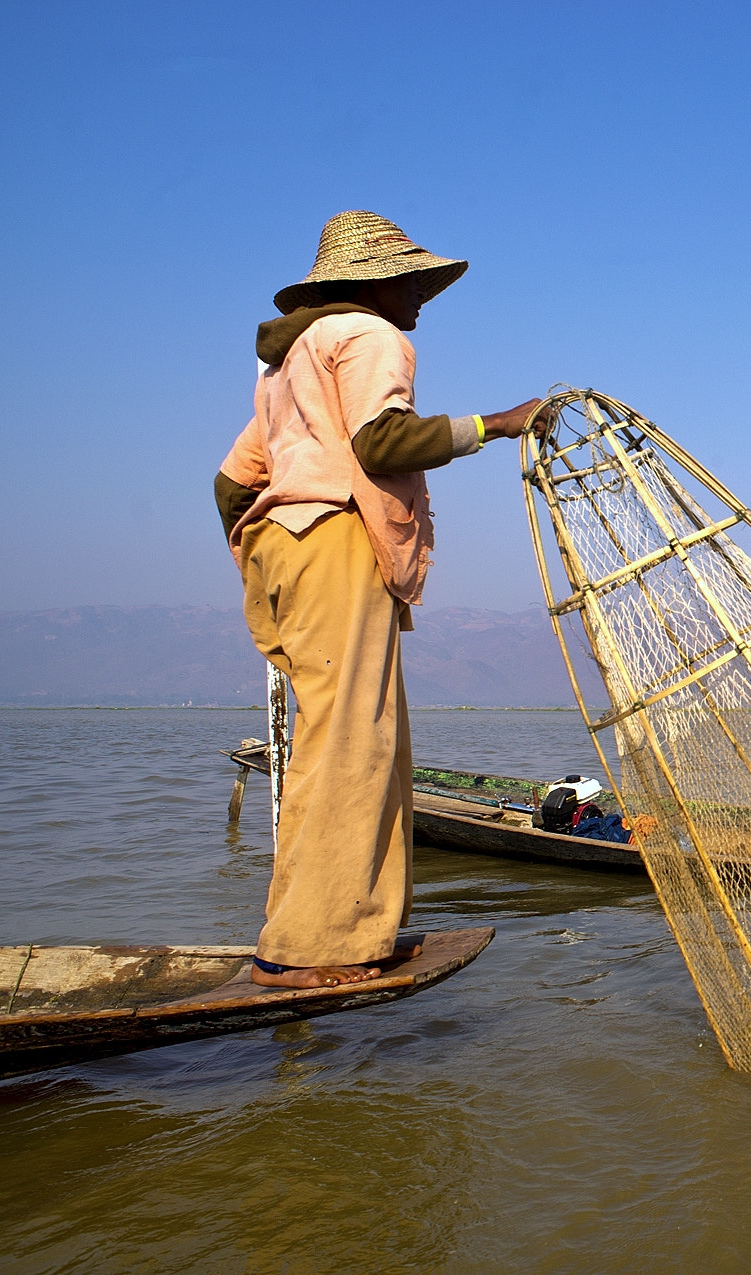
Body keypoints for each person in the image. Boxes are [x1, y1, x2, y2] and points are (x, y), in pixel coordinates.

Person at [213, 211, 542, 987]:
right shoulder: (368, 336)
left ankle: (328, 931)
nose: (422, 297)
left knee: (349, 746)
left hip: (289, 552)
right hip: (332, 546)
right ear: (370, 284)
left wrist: (266, 549)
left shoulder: (288, 359)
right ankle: (312, 950)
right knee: (351, 749)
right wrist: (495, 425)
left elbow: (233, 482)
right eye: (411, 281)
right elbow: (381, 443)